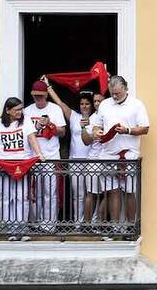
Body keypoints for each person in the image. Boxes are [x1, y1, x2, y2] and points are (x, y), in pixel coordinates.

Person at [92, 76, 149, 225]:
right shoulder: (105, 104)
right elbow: (96, 125)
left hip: (128, 155)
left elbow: (145, 128)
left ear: (125, 88)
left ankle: (130, 226)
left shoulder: (136, 105)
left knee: (130, 192)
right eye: (112, 93)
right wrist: (97, 131)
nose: (115, 96)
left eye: (117, 93)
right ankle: (115, 227)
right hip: (108, 154)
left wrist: (127, 130)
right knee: (112, 192)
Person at [0, 97, 45, 235]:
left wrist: (39, 154)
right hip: (4, 165)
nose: (20, 112)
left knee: (22, 196)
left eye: (21, 109)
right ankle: (8, 227)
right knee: (5, 197)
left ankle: (21, 227)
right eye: (17, 110)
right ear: (8, 110)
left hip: (23, 164)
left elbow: (32, 138)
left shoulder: (26, 122)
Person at [45, 82, 97, 223]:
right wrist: (49, 88)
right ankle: (78, 223)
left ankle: (93, 222)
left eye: (87, 104)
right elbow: (61, 104)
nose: (84, 106)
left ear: (92, 105)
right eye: (82, 104)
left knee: (93, 194)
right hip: (75, 161)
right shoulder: (74, 116)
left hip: (93, 160)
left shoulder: (97, 118)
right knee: (78, 195)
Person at [23, 79, 67, 230]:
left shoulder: (55, 109)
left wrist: (50, 125)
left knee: (50, 192)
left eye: (41, 96)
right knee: (35, 192)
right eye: (35, 96)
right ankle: (35, 223)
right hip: (33, 157)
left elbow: (63, 132)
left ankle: (49, 224)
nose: (38, 99)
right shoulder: (27, 111)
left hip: (51, 156)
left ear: (46, 95)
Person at [80, 92, 106, 226]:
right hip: (94, 160)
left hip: (108, 159)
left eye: (99, 101)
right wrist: (86, 130)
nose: (96, 104)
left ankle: (99, 224)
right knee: (91, 194)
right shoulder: (92, 118)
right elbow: (85, 141)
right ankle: (87, 224)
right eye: (95, 101)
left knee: (109, 193)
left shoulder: (110, 114)